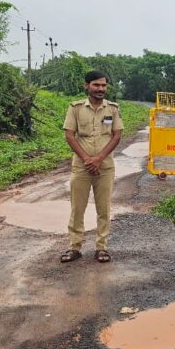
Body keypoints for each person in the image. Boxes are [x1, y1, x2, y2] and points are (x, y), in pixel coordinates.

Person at [60, 71, 123, 263]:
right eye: (96, 85)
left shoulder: (112, 109)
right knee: (77, 208)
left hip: (105, 168)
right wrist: (87, 159)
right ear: (87, 85)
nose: (101, 89)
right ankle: (74, 247)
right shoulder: (76, 108)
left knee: (104, 209)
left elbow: (117, 135)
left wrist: (99, 158)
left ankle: (101, 248)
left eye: (104, 86)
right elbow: (70, 135)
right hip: (81, 168)